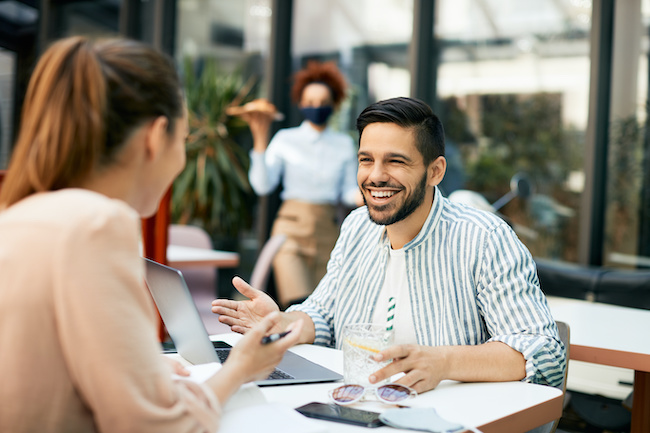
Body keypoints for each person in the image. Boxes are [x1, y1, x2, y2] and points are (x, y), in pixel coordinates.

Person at [0, 36, 302, 433]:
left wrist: (140, 364)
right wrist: (242, 368)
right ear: (157, 136)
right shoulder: (97, 224)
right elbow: (160, 428)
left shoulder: (20, 214)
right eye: (183, 139)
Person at [213, 97, 566, 394]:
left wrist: (443, 363)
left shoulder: (484, 239)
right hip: (355, 406)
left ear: (435, 171)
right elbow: (324, 313)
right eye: (366, 159)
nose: (376, 175)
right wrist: (286, 323)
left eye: (395, 161)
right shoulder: (356, 227)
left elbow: (543, 351)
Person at [239, 61, 361, 307]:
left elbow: (348, 192)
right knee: (297, 304)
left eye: (323, 103)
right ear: (301, 103)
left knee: (324, 308)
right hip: (291, 232)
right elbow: (263, 186)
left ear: (334, 105)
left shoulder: (344, 144)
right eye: (310, 102)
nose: (317, 108)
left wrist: (367, 196)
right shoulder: (286, 139)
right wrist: (260, 141)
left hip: (328, 234)